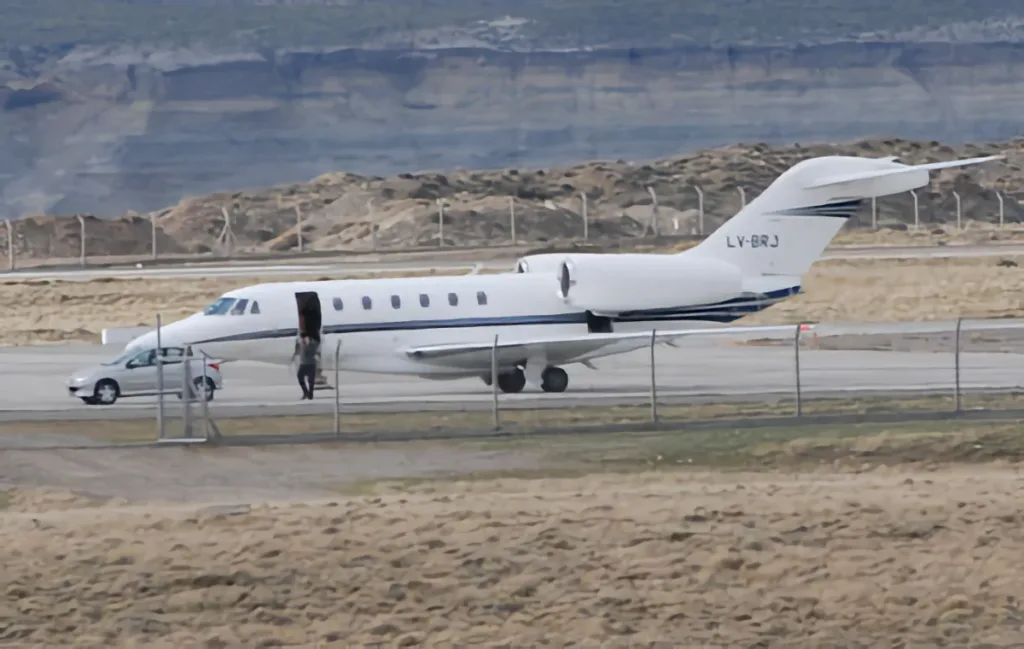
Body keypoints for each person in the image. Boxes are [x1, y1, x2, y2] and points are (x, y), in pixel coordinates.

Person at [291, 334, 320, 400]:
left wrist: (308, 343)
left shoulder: (313, 344)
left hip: (311, 364)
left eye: (305, 338)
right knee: (300, 377)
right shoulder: (301, 343)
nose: (303, 339)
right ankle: (305, 392)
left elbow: (314, 350)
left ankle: (310, 395)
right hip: (303, 364)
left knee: (311, 381)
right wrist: (294, 355)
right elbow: (297, 350)